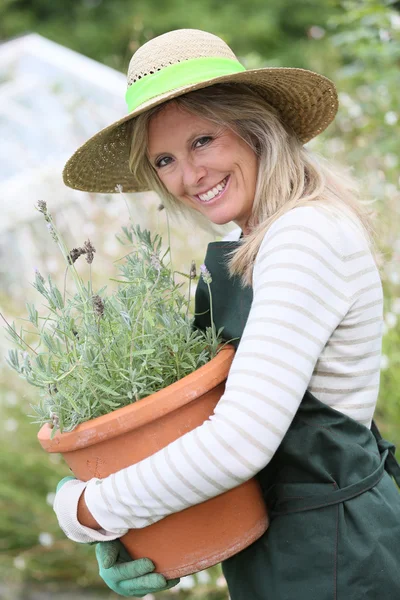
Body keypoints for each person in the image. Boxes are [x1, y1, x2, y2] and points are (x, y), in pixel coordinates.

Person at [54, 29, 400, 599]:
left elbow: (238, 442)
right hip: (293, 547)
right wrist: (150, 532)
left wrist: (89, 509)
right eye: (164, 159)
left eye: (202, 140)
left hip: (335, 558)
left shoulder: (303, 235)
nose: (189, 177)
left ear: (254, 126)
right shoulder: (260, 239)